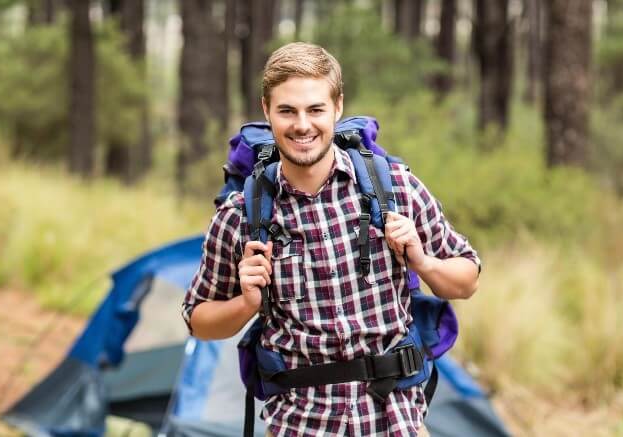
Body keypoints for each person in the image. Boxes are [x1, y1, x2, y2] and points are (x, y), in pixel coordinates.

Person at [182, 42, 481, 437]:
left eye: (315, 109)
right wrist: (246, 303)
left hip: (396, 422)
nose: (302, 125)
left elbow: (467, 278)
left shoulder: (394, 188)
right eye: (287, 110)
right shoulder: (240, 215)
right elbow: (198, 320)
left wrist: (423, 262)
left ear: (337, 107)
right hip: (299, 424)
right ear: (266, 110)